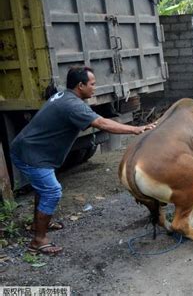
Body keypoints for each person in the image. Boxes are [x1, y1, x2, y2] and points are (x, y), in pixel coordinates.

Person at [10, 66, 156, 255]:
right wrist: (136, 129)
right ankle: (38, 241)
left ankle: (38, 224)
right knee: (52, 191)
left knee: (43, 188)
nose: (94, 88)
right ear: (80, 85)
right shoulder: (73, 105)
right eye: (92, 84)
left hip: (32, 150)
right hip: (30, 154)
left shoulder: (66, 96)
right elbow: (102, 123)